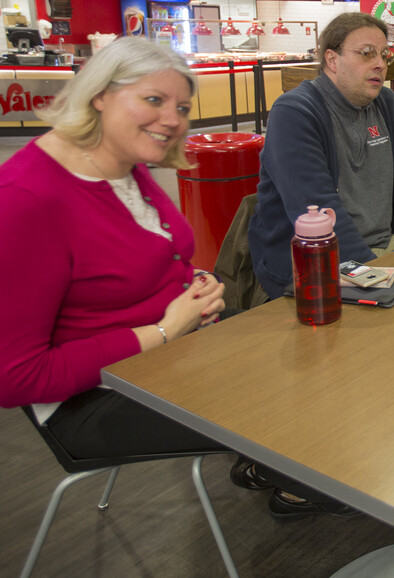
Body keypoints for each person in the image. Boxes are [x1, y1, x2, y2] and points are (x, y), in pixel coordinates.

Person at [0, 38, 228, 462]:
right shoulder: (25, 199)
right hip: (92, 400)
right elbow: (17, 378)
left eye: (182, 108)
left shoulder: (123, 161)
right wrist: (165, 330)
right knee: (285, 403)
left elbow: (138, 260)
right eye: (154, 99)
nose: (172, 120)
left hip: (169, 357)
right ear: (101, 94)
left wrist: (196, 282)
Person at [248, 12, 394, 300]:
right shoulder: (295, 113)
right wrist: (376, 282)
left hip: (383, 248)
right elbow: (321, 212)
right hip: (314, 266)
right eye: (366, 53)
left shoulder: (386, 104)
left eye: (385, 55)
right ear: (332, 60)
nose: (380, 64)